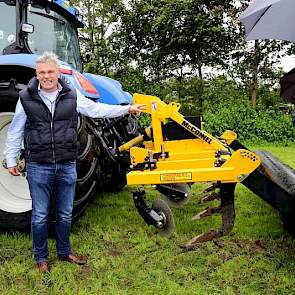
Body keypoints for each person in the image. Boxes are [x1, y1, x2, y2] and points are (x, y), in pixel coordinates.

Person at [3, 51, 146, 273]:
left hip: (66, 164)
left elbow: (96, 109)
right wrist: (10, 158)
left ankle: (64, 251)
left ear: (58, 73)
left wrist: (126, 108)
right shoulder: (26, 99)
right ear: (37, 74)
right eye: (42, 72)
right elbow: (15, 131)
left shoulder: (71, 95)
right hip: (39, 166)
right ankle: (41, 258)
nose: (47, 76)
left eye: (51, 71)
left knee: (64, 213)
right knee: (40, 215)